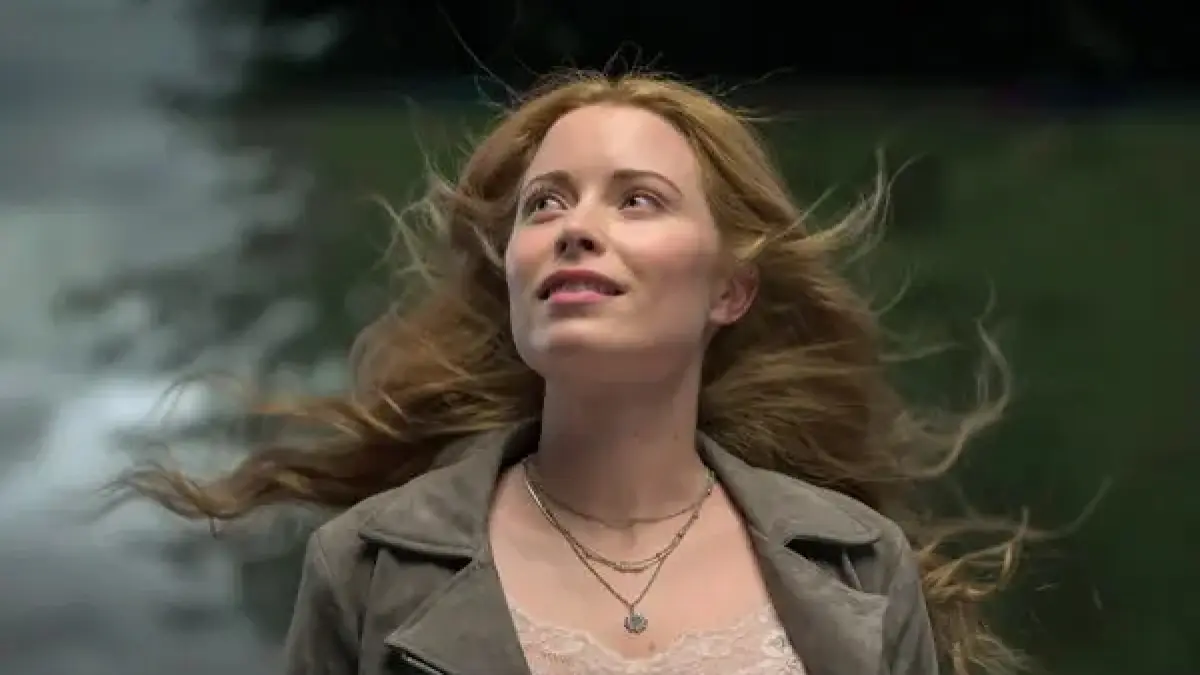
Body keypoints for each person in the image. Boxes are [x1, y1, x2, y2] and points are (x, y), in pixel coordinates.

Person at [122, 71, 1027, 675]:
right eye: (544, 203)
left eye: (637, 199)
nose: (574, 228)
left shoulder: (860, 564)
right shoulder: (365, 566)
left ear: (730, 289)